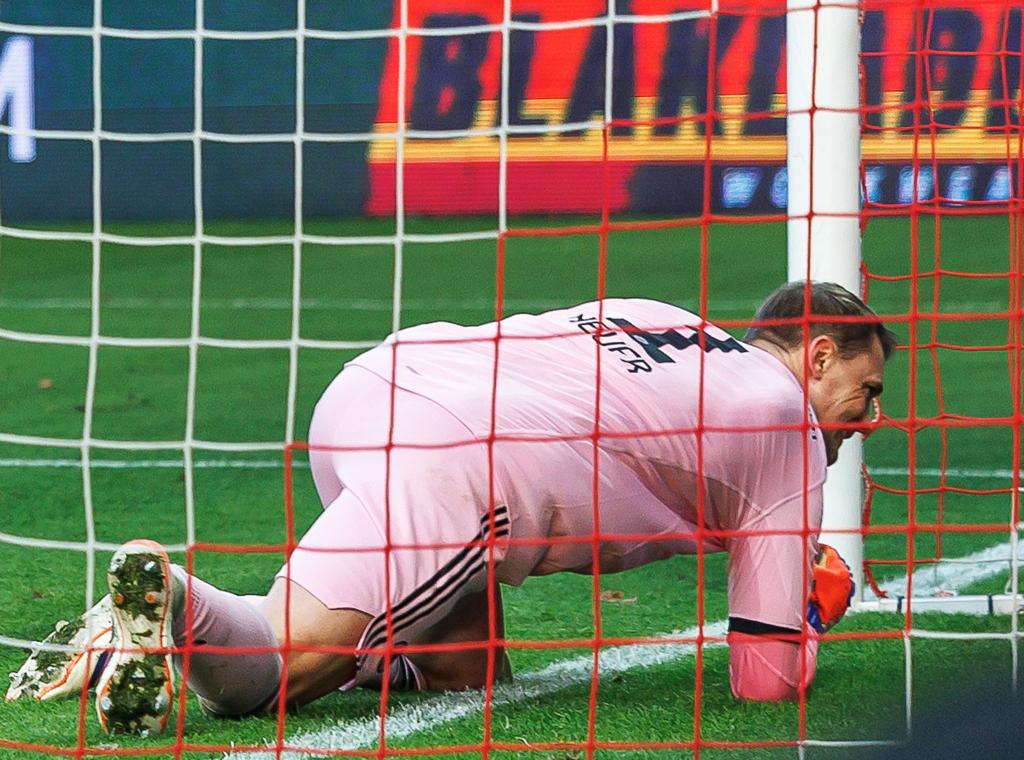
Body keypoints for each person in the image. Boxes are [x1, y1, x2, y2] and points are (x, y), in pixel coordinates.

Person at [6, 281, 895, 736]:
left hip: (377, 385)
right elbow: (765, 682)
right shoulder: (784, 420)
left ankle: (360, 639)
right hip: (459, 468)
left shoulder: (668, 319)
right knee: (267, 681)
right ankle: (178, 599)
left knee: (470, 676)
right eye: (866, 389)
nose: (874, 418)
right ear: (815, 357)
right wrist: (810, 609)